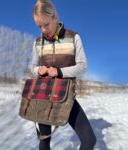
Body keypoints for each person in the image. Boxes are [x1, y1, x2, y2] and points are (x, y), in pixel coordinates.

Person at [29, 0, 96, 149]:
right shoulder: (37, 42)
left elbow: (82, 67)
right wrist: (38, 70)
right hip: (44, 96)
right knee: (44, 140)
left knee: (89, 140)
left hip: (66, 96)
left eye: (46, 24)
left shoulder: (74, 37)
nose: (43, 29)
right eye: (39, 26)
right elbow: (32, 66)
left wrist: (60, 72)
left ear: (55, 17)